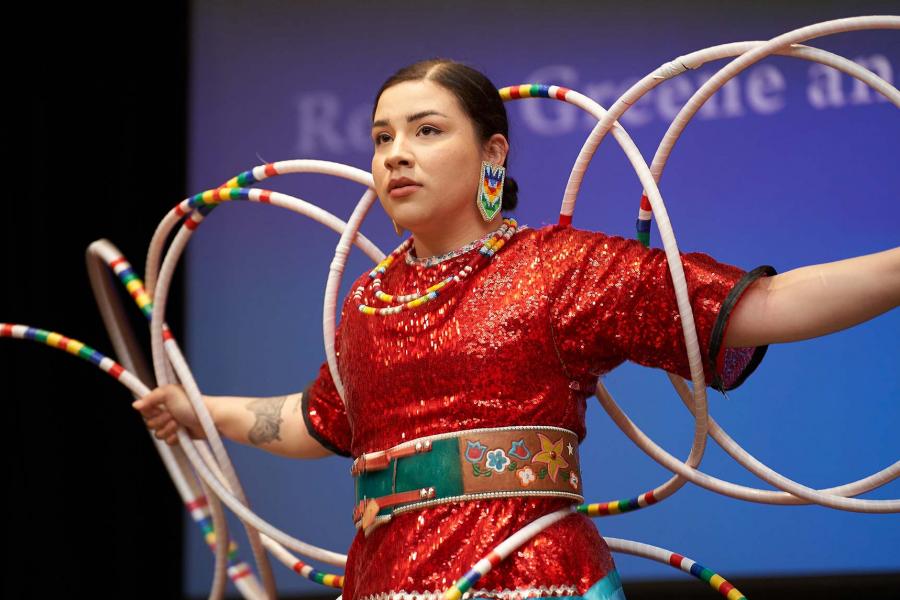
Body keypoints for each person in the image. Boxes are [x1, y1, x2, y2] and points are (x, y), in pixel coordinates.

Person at [132, 58, 900, 600]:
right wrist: (201, 411)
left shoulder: (560, 272)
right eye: (380, 138)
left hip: (534, 578)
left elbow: (764, 307)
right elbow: (321, 420)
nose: (396, 153)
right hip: (382, 582)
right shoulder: (367, 299)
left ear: (491, 153)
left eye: (426, 130)